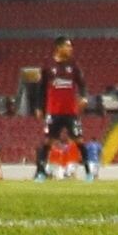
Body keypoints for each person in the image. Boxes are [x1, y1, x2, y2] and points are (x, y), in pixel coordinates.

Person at [36, 40, 85, 173]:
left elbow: (82, 83)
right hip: (54, 111)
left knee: (79, 140)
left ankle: (88, 173)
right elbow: (41, 88)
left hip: (70, 111)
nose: (71, 48)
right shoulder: (47, 66)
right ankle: (40, 172)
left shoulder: (73, 65)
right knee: (47, 141)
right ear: (59, 47)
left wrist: (83, 96)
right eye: (68, 46)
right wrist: (39, 107)